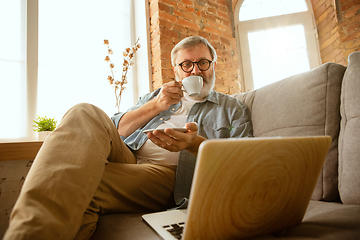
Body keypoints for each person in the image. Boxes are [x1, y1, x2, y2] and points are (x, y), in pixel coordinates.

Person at [3, 36, 252, 240]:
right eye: (187, 64)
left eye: (203, 63)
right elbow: (115, 130)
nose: (195, 70)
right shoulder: (158, 96)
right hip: (128, 157)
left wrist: (195, 144)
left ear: (214, 65)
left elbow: (245, 160)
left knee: (76, 181)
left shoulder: (231, 108)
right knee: (84, 111)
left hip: (170, 176)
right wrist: (156, 105)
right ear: (177, 70)